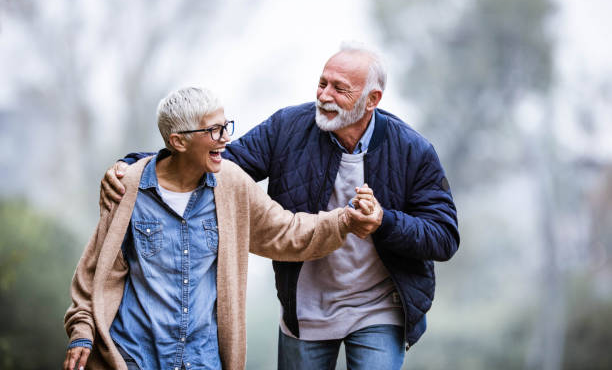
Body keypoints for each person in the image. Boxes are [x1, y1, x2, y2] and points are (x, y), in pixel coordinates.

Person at [101, 43, 460, 369]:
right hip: (304, 309)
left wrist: (384, 221)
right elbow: (220, 163)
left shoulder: (413, 150)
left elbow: (444, 237)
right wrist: (137, 166)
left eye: (339, 89)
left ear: (372, 99)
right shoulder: (288, 127)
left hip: (378, 308)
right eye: (322, 83)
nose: (324, 95)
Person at [64, 87, 382, 370]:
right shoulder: (128, 188)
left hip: (203, 358)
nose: (225, 138)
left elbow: (286, 231)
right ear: (179, 141)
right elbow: (96, 271)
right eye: (214, 130)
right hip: (133, 356)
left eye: (225, 126)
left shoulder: (230, 184)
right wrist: (82, 331)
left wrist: (344, 220)